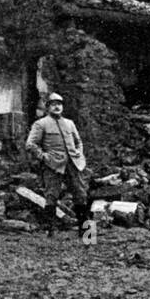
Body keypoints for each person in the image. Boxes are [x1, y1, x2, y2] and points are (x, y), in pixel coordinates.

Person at [24, 92, 90, 237]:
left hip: (73, 164)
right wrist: (44, 156)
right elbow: (30, 144)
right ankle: (50, 231)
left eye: (59, 104)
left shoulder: (69, 123)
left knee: (81, 194)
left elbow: (78, 142)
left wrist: (79, 153)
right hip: (53, 164)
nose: (57, 107)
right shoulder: (41, 124)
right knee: (51, 196)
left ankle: (85, 232)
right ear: (47, 107)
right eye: (53, 104)